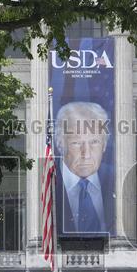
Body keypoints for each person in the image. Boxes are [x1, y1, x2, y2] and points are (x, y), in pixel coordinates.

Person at [55, 101, 115, 236]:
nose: (86, 154)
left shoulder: (117, 178)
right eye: (76, 143)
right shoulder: (47, 182)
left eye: (94, 142)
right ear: (60, 144)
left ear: (104, 144)